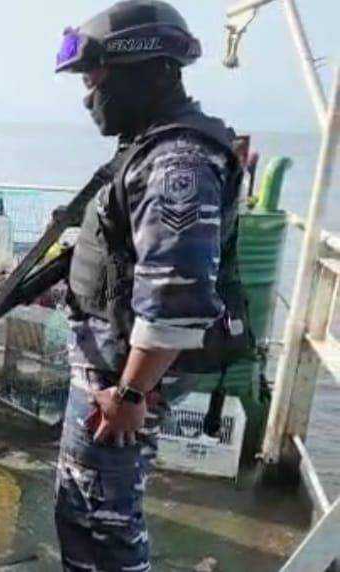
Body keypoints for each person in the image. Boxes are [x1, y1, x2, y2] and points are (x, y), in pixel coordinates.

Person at [53, 2, 243, 569]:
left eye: (94, 79)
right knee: (83, 510)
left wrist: (130, 397)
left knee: (105, 526)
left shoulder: (177, 162)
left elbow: (176, 298)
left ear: (140, 71)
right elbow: (129, 257)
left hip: (122, 384)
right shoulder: (148, 146)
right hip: (113, 371)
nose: (89, 96)